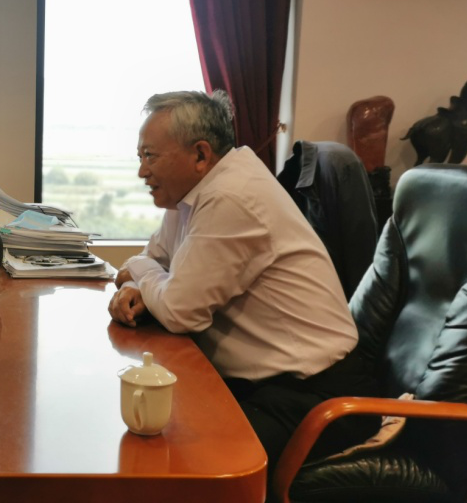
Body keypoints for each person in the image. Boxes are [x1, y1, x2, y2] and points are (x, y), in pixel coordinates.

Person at [107, 90, 377, 480]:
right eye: (140, 158)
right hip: (265, 385)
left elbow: (179, 310)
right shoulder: (190, 194)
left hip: (314, 397)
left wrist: (138, 271)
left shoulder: (231, 196)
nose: (142, 172)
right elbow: (158, 258)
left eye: (150, 156)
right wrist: (141, 284)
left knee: (180, 470)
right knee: (143, 434)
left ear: (201, 155)